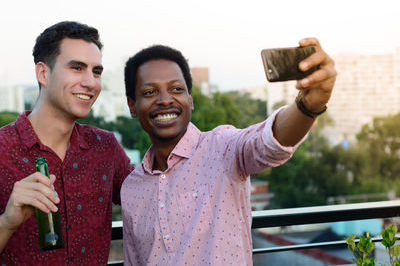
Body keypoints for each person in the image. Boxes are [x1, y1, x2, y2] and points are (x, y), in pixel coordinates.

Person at [121, 38, 336, 265]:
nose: (165, 100)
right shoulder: (132, 188)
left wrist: (308, 106)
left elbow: (269, 143)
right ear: (132, 106)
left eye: (176, 89)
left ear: (190, 100)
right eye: (149, 92)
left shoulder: (223, 148)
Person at [0, 21, 133, 265]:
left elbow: (153, 199)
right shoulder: (2, 149)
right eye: (77, 68)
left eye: (96, 71)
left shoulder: (106, 147)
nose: (91, 82)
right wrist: (7, 221)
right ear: (43, 73)